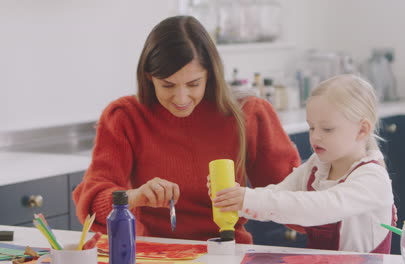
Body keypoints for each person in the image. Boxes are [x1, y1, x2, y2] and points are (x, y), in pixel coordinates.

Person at [72, 15, 300, 244]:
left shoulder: (248, 114)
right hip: (154, 254)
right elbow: (91, 207)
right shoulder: (124, 116)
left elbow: (296, 203)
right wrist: (134, 197)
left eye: (193, 84)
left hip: (228, 252)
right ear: (149, 78)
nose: (181, 98)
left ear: (209, 75)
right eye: (167, 85)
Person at [210, 74, 395, 253]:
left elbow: (319, 207)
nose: (315, 136)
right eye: (311, 127)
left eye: (327, 129)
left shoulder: (372, 178)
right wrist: (234, 200)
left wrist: (248, 199)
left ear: (362, 130)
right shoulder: (317, 166)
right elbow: (278, 193)